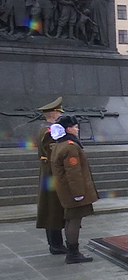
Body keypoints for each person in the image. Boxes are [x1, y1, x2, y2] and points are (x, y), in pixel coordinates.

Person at [50, 115, 98, 264]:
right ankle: (73, 253)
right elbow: (73, 173)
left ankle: (72, 251)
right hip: (73, 192)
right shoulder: (70, 147)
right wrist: (78, 194)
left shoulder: (59, 145)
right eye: (75, 126)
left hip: (65, 190)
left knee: (71, 220)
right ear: (68, 129)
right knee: (74, 220)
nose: (77, 129)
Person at [35, 97, 67, 255]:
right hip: (52, 174)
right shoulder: (50, 131)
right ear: (54, 114)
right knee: (53, 209)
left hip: (48, 172)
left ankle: (55, 243)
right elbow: (54, 153)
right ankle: (56, 245)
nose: (60, 115)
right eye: (59, 113)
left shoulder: (45, 128)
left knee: (51, 208)